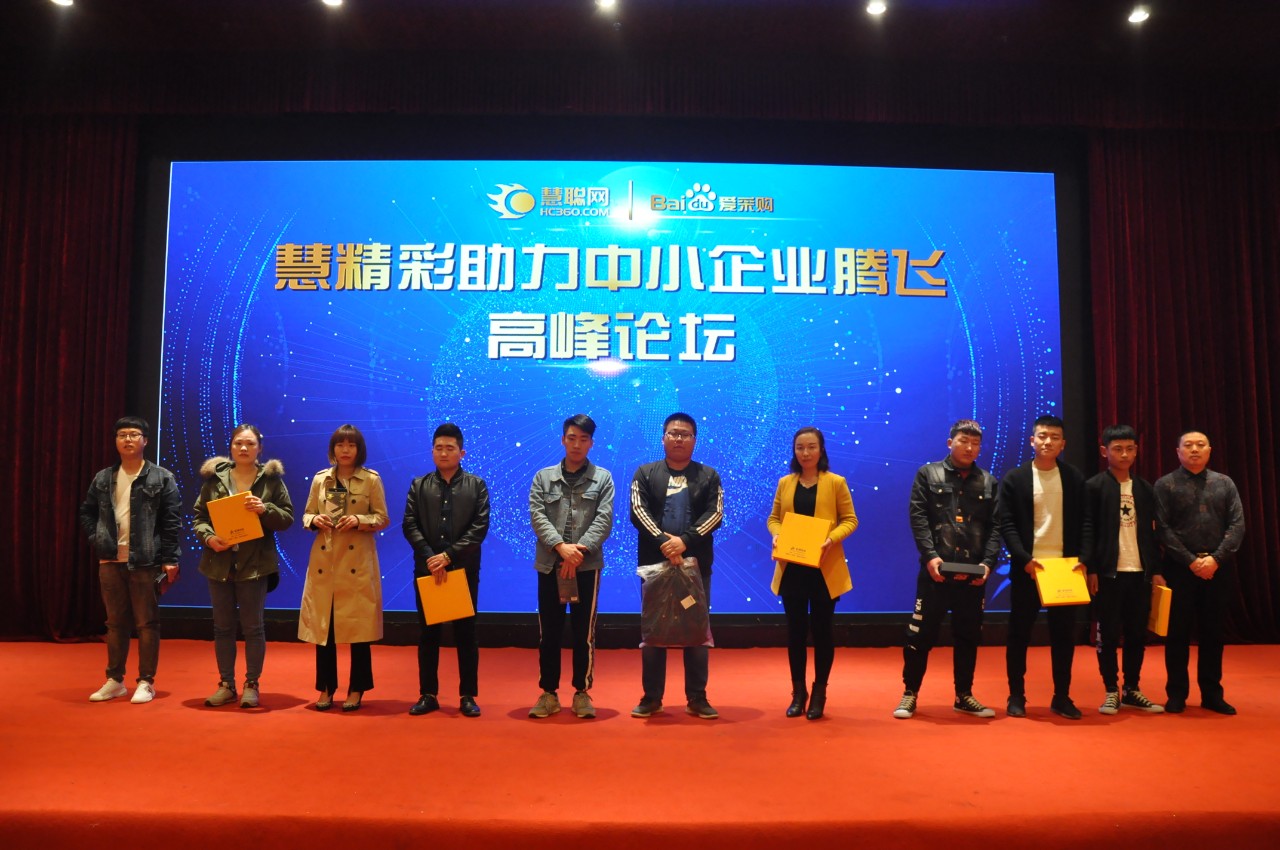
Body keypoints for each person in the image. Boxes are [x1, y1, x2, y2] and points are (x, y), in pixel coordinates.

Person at [894, 419, 1001, 720]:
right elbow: (918, 518)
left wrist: (987, 564)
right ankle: (910, 693)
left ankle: (963, 695)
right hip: (935, 573)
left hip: (973, 575)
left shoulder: (989, 482)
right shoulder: (928, 474)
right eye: (963, 441)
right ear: (950, 442)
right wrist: (930, 557)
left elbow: (995, 527)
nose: (969, 447)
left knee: (968, 636)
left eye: (975, 443)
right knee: (920, 635)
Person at [78, 416, 182, 704]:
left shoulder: (162, 477)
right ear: (116, 441)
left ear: (145, 441)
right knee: (114, 623)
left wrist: (170, 559)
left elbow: (171, 522)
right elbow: (87, 512)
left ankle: (146, 682)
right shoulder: (103, 478)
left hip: (146, 560)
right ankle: (115, 680)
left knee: (147, 623)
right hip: (110, 560)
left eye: (134, 434)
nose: (127, 439)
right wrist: (97, 537)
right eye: (122, 434)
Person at [629, 412, 724, 720]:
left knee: (696, 630)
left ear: (694, 440)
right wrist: (664, 543)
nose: (679, 439)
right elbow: (638, 512)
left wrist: (684, 542)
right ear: (663, 438)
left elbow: (715, 514)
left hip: (695, 566)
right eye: (673, 433)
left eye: (685, 434)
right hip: (654, 566)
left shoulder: (709, 476)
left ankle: (697, 697)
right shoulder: (645, 473)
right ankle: (651, 697)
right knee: (653, 631)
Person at [192, 423, 294, 709]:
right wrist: (209, 538)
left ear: (260, 449)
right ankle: (226, 684)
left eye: (250, 444)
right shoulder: (215, 479)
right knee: (222, 628)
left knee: (253, 628)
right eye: (238, 443)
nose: (244, 448)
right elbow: (199, 517)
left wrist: (265, 509)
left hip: (255, 565)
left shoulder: (271, 480)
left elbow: (287, 518)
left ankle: (252, 684)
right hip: (219, 563)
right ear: (231, 447)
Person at [997, 415, 1087, 719]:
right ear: (1032, 440)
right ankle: (1016, 696)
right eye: (1043, 436)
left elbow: (1086, 521)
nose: (1048, 441)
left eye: (1055, 437)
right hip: (1030, 569)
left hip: (1065, 570)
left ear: (1063, 444)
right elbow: (1007, 523)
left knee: (1063, 636)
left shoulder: (1073, 478)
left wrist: (1084, 559)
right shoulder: (1016, 478)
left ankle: (1062, 696)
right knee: (1019, 634)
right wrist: (1023, 559)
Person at [766, 426, 858, 720]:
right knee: (795, 632)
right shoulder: (785, 483)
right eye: (800, 448)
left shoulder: (835, 482)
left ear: (821, 450)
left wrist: (831, 538)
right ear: (794, 451)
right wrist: (776, 534)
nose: (805, 453)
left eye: (811, 447)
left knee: (822, 632)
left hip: (823, 569)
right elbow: (774, 519)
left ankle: (819, 692)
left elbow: (850, 520)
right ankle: (798, 693)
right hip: (792, 567)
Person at [527, 414, 615, 719]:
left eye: (583, 439)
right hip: (549, 564)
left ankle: (582, 693)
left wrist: (577, 552)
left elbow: (604, 519)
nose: (577, 444)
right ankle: (548, 693)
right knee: (549, 633)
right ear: (563, 440)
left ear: (591, 443)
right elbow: (537, 515)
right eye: (572, 438)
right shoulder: (543, 477)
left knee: (583, 634)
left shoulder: (603, 478)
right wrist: (560, 547)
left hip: (586, 566)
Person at [298, 424, 389, 712]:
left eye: (351, 445)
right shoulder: (320, 479)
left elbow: (382, 518)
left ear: (359, 450)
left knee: (358, 630)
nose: (345, 450)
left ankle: (357, 687)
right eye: (340, 445)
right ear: (333, 449)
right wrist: (315, 520)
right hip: (325, 562)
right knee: (325, 629)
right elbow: (307, 513)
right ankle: (326, 687)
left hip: (356, 563)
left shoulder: (371, 479)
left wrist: (360, 520)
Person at [1155, 429, 1245, 715]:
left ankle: (1212, 694)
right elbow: (1162, 529)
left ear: (1209, 450)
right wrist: (1191, 561)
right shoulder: (1165, 484)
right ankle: (1176, 694)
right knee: (1177, 634)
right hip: (1179, 569)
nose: (1194, 449)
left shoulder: (1225, 483)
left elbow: (1237, 525)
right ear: (1178, 451)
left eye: (1200, 445)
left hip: (1217, 569)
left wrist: (1215, 560)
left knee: (1213, 633)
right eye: (1188, 445)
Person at [403, 423, 490, 717]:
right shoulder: (419, 485)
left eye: (450, 448)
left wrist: (448, 556)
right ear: (432, 451)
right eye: (438, 448)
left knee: (466, 634)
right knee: (428, 634)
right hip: (428, 570)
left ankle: (468, 696)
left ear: (461, 452)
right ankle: (428, 694)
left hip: (462, 570)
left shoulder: (476, 485)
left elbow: (479, 528)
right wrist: (432, 557)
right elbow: (410, 524)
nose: (443, 453)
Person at [1080, 424, 1165, 715]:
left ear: (1136, 451)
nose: (1124, 454)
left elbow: (1152, 534)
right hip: (1108, 573)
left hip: (1139, 572)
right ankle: (1110, 690)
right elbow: (1088, 530)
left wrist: (1155, 569)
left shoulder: (1145, 488)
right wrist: (1091, 567)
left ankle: (1132, 688)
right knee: (1108, 634)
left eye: (1130, 449)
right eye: (1118, 449)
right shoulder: (1094, 487)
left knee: (1137, 633)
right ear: (1104, 451)